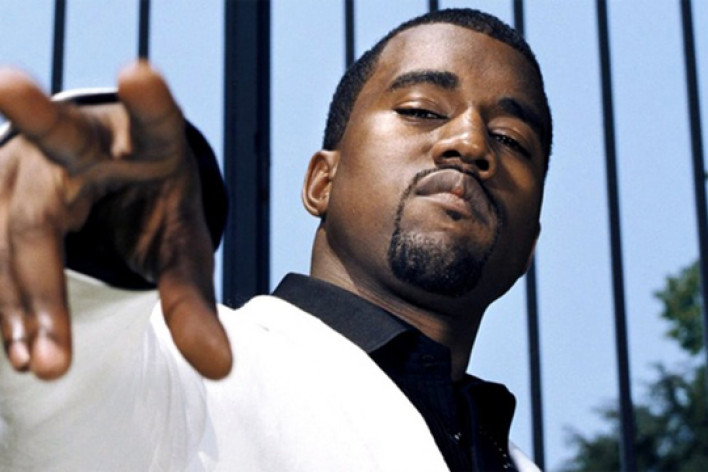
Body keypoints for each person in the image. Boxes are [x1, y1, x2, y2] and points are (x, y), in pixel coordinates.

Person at [0, 8, 551, 472]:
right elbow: (52, 391)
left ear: (530, 245)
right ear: (321, 183)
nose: (470, 142)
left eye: (511, 139)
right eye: (421, 110)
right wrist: (81, 214)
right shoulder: (179, 380)